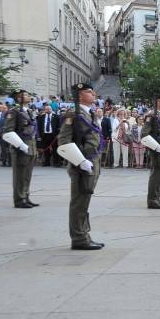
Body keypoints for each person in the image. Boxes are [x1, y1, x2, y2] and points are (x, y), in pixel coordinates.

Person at [56, 83, 105, 250]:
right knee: (79, 202)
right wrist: (80, 161)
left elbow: (93, 135)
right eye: (88, 92)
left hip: (92, 162)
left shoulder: (89, 113)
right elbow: (63, 141)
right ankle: (79, 238)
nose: (93, 94)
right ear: (79, 96)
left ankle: (84, 234)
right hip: (82, 165)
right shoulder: (74, 114)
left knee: (84, 201)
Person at [2, 89, 38, 208]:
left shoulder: (29, 111)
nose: (29, 97)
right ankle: (19, 199)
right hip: (20, 148)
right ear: (19, 98)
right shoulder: (14, 112)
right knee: (19, 175)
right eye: (26, 95)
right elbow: (8, 131)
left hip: (31, 147)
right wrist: (20, 145)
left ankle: (25, 196)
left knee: (27, 174)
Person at [141, 96, 160, 209]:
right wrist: (157, 147)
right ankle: (152, 200)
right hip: (156, 148)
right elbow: (144, 135)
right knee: (156, 174)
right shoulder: (151, 115)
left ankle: (157, 198)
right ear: (158, 102)